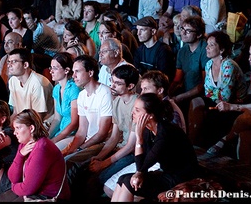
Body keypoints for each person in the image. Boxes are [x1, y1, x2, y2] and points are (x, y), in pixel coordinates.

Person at [111, 93, 200, 202]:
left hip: (181, 177)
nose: (132, 113)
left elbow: (143, 167)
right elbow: (141, 166)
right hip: (167, 173)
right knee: (122, 179)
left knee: (130, 182)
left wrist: (138, 138)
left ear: (150, 115)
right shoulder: (149, 130)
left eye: (137, 110)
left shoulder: (165, 132)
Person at [207, 38, 251, 165]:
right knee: (245, 135)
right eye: (250, 54)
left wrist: (232, 107)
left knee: (246, 117)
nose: (250, 58)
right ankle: (243, 173)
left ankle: (225, 139)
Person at [0, 109, 71, 202]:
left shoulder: (42, 148)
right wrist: (20, 155)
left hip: (46, 197)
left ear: (31, 128)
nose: (14, 132)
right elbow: (12, 177)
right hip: (31, 192)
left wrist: (14, 186)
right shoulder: (24, 144)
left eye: (18, 128)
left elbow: (27, 189)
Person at [86, 64, 139, 202]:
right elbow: (114, 137)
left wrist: (103, 164)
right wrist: (99, 157)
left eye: (118, 83)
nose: (112, 86)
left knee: (98, 179)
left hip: (134, 154)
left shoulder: (137, 105)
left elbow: (131, 146)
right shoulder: (117, 102)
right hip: (121, 149)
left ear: (130, 86)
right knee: (85, 171)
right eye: (112, 81)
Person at [61, 55, 113, 193]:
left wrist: (80, 149)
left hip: (102, 143)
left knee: (68, 162)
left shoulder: (105, 93)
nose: (74, 76)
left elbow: (102, 133)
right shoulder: (82, 95)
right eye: (73, 71)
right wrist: (72, 148)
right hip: (87, 140)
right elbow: (82, 131)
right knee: (60, 156)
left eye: (78, 71)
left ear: (90, 73)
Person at [188, 31, 248, 148]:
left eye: (212, 45)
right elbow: (207, 90)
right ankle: (192, 144)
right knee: (196, 102)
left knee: (211, 114)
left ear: (221, 50)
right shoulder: (209, 64)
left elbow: (226, 96)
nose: (207, 48)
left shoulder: (229, 66)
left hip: (234, 105)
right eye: (207, 44)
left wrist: (214, 100)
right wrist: (214, 100)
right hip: (216, 101)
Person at [169, 16, 209, 117]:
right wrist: (167, 94)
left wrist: (180, 97)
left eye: (188, 31)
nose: (183, 33)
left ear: (199, 34)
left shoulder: (205, 50)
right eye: (182, 29)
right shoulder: (182, 51)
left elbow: (204, 84)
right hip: (185, 92)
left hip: (201, 96)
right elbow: (178, 79)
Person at [7, 48, 54, 123]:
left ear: (25, 65)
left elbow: (38, 118)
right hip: (22, 124)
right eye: (9, 62)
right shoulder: (13, 81)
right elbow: (15, 112)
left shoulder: (38, 83)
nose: (9, 65)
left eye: (14, 62)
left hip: (41, 125)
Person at [48, 52, 81, 150]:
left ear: (66, 70)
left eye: (55, 68)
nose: (51, 71)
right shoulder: (56, 88)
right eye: (51, 68)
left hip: (72, 134)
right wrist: (48, 136)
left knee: (51, 151)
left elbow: (74, 123)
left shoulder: (74, 89)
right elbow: (57, 118)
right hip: (61, 131)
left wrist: (55, 140)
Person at [133, 16, 176, 83]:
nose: (138, 33)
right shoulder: (139, 50)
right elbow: (136, 72)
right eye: (138, 30)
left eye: (142, 30)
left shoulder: (163, 50)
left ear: (153, 31)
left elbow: (164, 77)